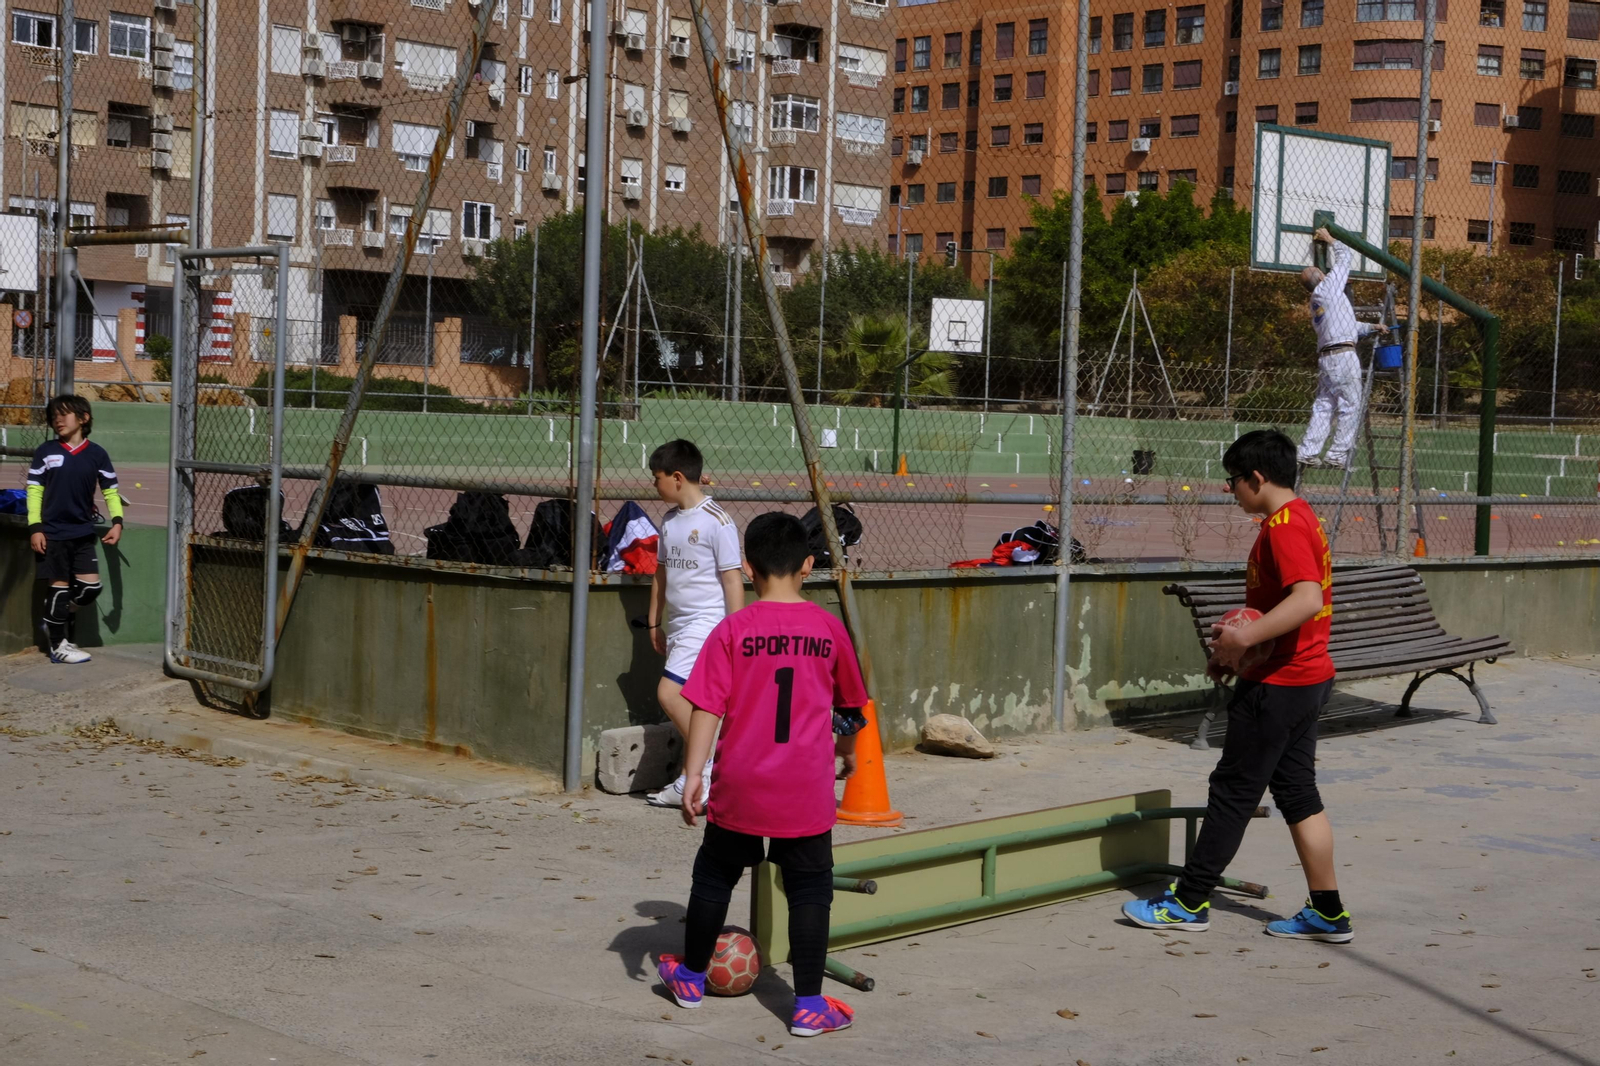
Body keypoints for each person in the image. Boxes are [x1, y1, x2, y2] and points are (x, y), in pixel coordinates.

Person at [1122, 429, 1351, 943]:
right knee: (1297, 794)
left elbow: (1307, 599)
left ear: (1257, 478)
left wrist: (1241, 637)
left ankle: (1188, 903)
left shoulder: (1285, 528)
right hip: (1307, 678)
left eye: (1234, 481)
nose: (1231, 491)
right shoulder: (1300, 517)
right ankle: (1328, 912)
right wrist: (1237, 652)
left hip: (1281, 686)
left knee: (1232, 793)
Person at [656, 511, 868, 1037]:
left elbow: (705, 706)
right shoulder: (828, 628)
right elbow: (851, 705)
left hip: (742, 785)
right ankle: (808, 1007)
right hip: (804, 789)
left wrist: (694, 774)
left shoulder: (733, 629)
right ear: (809, 566)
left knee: (713, 877)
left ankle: (689, 978)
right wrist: (848, 753)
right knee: (811, 890)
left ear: (748, 568)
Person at [643, 440, 745, 809]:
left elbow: (733, 579)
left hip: (709, 625)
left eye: (657, 479)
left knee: (669, 694)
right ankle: (694, 776)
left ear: (678, 477)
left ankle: (713, 764)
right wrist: (655, 623)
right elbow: (661, 574)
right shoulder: (669, 522)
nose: (654, 486)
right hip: (680, 627)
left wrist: (734, 633)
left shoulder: (718, 521)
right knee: (694, 702)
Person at [27, 394, 123, 665]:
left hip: (82, 533)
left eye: (64, 413)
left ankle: (53, 618)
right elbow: (34, 491)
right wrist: (35, 527)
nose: (57, 419)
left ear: (83, 418)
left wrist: (117, 522)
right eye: (54, 415)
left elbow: (111, 491)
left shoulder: (97, 454)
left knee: (90, 589)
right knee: (58, 588)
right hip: (52, 533)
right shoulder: (46, 451)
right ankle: (58, 645)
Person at [1297, 226, 1386, 470]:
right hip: (1343, 357)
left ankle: (1308, 451)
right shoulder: (1328, 288)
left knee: (1324, 406)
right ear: (1322, 277)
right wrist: (1331, 239)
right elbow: (1345, 258)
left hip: (1327, 357)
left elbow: (1347, 326)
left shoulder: (1317, 303)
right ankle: (1337, 454)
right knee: (1350, 406)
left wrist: (1371, 327)